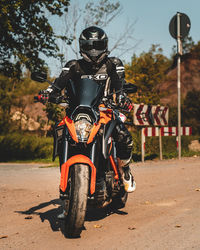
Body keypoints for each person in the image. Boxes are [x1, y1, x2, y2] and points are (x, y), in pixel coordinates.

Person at [40, 26, 136, 193]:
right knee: (61, 132)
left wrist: (123, 98)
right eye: (89, 46)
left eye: (97, 46)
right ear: (82, 46)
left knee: (123, 136)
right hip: (77, 113)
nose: (93, 51)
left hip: (104, 111)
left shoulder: (113, 64)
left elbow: (120, 87)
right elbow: (57, 85)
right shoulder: (73, 66)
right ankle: (68, 187)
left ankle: (125, 169)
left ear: (104, 45)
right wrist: (46, 93)